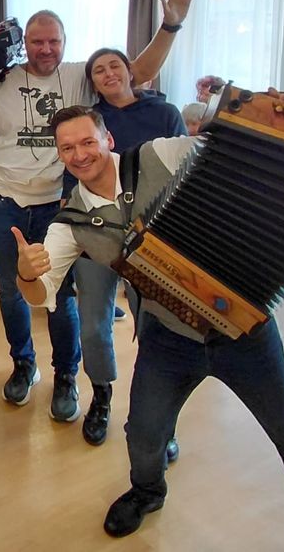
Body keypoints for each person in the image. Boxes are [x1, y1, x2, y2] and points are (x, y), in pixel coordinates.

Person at [12, 106, 284, 551]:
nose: (79, 154)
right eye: (67, 148)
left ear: (107, 139)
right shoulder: (70, 223)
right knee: (144, 432)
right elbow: (42, 294)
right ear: (59, 155)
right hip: (169, 338)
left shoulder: (161, 155)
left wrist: (273, 116)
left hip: (243, 334)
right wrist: (25, 273)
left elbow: (233, 153)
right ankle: (149, 492)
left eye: (87, 141)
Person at [0, 0, 196, 421]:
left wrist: (170, 26)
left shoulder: (78, 78)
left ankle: (66, 375)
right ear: (23, 43)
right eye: (36, 41)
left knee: (63, 297)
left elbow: (136, 73)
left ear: (65, 43)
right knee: (14, 292)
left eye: (53, 41)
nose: (45, 49)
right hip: (3, 200)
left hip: (60, 205)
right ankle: (23, 364)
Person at [75, 48, 186, 452]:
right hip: (97, 233)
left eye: (115, 66)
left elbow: (183, 171)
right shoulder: (89, 120)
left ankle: (161, 422)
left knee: (157, 333)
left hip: (152, 239)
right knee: (92, 324)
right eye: (98, 70)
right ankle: (101, 395)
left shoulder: (165, 114)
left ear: (130, 72)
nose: (108, 74)